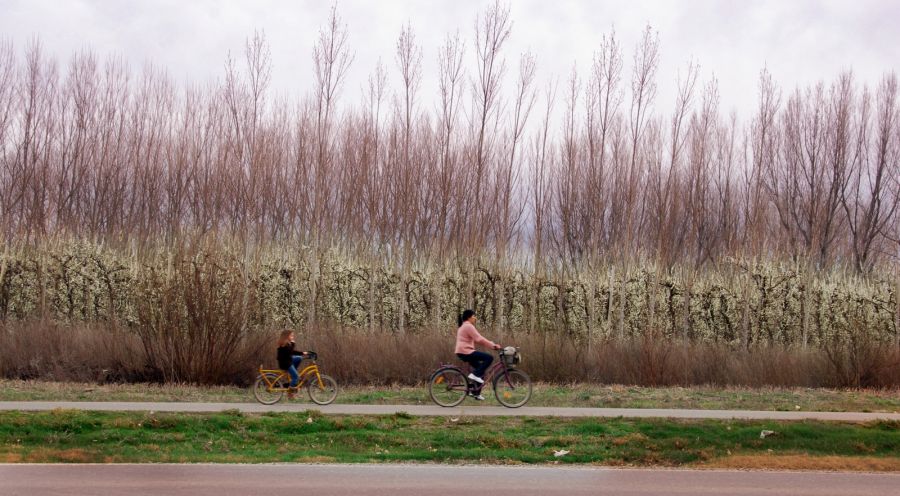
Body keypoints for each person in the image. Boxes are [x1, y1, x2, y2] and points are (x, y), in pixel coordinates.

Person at [455, 309, 501, 400]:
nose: (475, 318)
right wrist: (493, 346)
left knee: (481, 369)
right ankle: (475, 375)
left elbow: (478, 339)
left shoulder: (463, 326)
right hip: (465, 351)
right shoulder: (468, 326)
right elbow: (479, 339)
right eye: (473, 316)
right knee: (489, 358)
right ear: (469, 317)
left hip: (462, 351)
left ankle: (475, 392)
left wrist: (491, 344)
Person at [276, 329, 309, 399]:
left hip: (288, 361)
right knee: (296, 377)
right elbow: (289, 352)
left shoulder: (287, 343)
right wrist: (293, 344)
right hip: (285, 363)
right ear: (286, 336)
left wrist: (302, 353)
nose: (293, 337)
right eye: (291, 335)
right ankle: (290, 394)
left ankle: (293, 372)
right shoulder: (283, 344)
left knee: (299, 358)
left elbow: (292, 352)